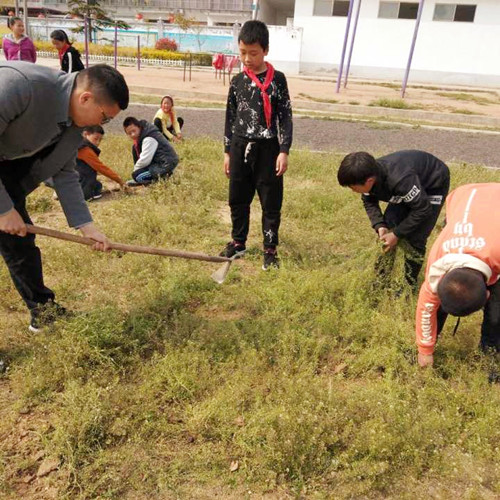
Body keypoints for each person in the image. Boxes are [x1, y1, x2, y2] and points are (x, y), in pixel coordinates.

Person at [0, 61, 129, 335]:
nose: (101, 125)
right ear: (86, 98)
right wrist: (2, 209)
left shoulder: (72, 123)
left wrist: (87, 226)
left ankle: (43, 312)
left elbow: (65, 172)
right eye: (104, 117)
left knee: (20, 244)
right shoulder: (20, 86)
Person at [221, 20, 293, 271]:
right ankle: (238, 242)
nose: (247, 59)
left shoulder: (278, 81)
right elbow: (230, 117)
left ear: (266, 50)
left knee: (270, 200)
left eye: (253, 53)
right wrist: (228, 152)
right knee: (237, 198)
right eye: (242, 53)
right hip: (240, 145)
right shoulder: (237, 81)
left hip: (268, 149)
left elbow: (285, 116)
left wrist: (284, 150)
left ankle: (270, 249)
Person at [415, 183, 500, 369]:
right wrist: (425, 350)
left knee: (497, 310)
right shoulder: (436, 269)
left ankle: (489, 353)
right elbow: (426, 308)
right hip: (464, 195)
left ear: (487, 294)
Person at [337, 150, 450, 288]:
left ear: (369, 181)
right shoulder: (368, 174)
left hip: (433, 182)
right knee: (387, 231)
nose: (352, 190)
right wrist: (380, 225)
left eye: (353, 187)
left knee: (415, 238)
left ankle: (408, 286)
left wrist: (397, 234)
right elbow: (369, 201)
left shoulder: (400, 180)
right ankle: (380, 282)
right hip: (410, 184)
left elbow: (423, 209)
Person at [123, 117, 179, 186]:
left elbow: (145, 160)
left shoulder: (149, 138)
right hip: (157, 163)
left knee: (138, 176)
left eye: (134, 131)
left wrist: (135, 171)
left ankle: (163, 178)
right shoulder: (143, 135)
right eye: (129, 133)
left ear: (139, 127)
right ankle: (161, 177)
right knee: (134, 148)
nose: (133, 135)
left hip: (165, 164)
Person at [76, 125, 125, 200]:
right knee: (95, 189)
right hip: (77, 181)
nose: (98, 142)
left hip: (66, 178)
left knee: (97, 185)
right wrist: (120, 181)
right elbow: (101, 168)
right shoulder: (85, 150)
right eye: (95, 139)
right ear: (85, 134)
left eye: (100, 140)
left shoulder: (76, 144)